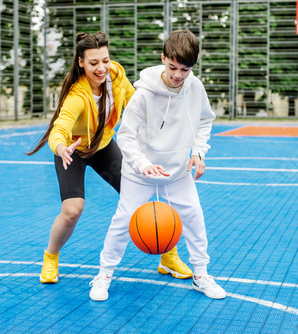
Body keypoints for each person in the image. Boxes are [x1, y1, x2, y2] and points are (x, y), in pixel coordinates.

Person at [26, 32, 191, 284]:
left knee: (141, 194)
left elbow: (134, 104)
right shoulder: (76, 95)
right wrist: (60, 148)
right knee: (72, 211)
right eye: (93, 63)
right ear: (81, 62)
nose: (101, 68)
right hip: (73, 151)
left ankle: (168, 255)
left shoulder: (115, 74)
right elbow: (60, 128)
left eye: (105, 60)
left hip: (103, 146)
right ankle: (51, 257)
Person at [89, 30, 226, 301]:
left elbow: (205, 120)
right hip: (140, 174)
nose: (177, 75)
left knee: (195, 219)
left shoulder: (196, 87)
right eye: (172, 67)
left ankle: (201, 275)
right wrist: (142, 164)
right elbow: (125, 135)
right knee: (122, 222)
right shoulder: (144, 94)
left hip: (177, 172)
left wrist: (199, 151)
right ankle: (104, 274)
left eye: (185, 69)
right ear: (163, 58)